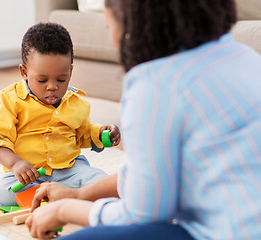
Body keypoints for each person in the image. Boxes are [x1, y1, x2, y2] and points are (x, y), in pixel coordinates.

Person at [25, 0, 261, 239]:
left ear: (131, 22)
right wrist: (78, 195)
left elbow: (141, 217)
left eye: (109, 25)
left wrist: (66, 210)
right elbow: (147, 176)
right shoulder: (247, 58)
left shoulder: (154, 83)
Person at [0, 22, 121, 206]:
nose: (52, 87)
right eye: (42, 80)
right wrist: (16, 164)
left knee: (103, 182)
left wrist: (103, 135)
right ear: (24, 72)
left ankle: (62, 195)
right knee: (3, 194)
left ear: (70, 72)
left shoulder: (77, 102)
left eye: (61, 79)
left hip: (71, 170)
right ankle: (61, 196)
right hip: (30, 176)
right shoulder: (7, 101)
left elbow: (82, 134)